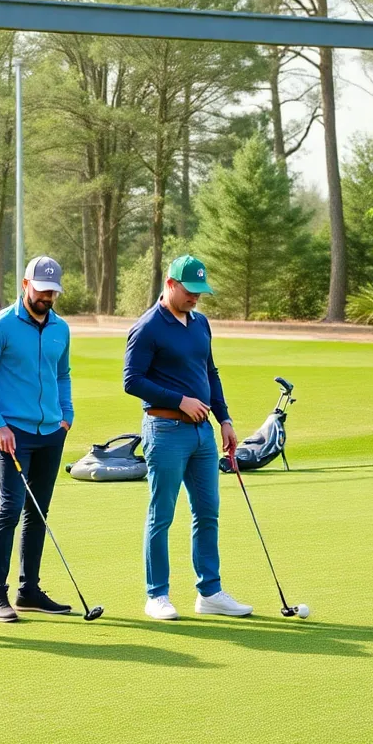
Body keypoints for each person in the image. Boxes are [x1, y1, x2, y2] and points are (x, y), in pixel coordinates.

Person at [122, 255, 253, 621]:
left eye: (200, 291)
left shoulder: (201, 324)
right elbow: (131, 380)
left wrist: (224, 418)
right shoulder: (147, 327)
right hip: (165, 430)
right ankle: (157, 595)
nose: (196, 297)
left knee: (207, 512)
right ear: (170, 284)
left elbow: (209, 372)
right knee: (161, 515)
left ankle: (210, 591)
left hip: (203, 434)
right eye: (190, 291)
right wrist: (180, 400)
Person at [0, 255, 74, 622]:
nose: (48, 297)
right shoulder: (0, 326)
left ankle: (28, 590)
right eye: (43, 289)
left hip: (51, 432)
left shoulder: (61, 328)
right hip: (12, 434)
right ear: (26, 285)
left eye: (53, 292)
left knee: (38, 512)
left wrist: (67, 415)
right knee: (10, 508)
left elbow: (63, 374)